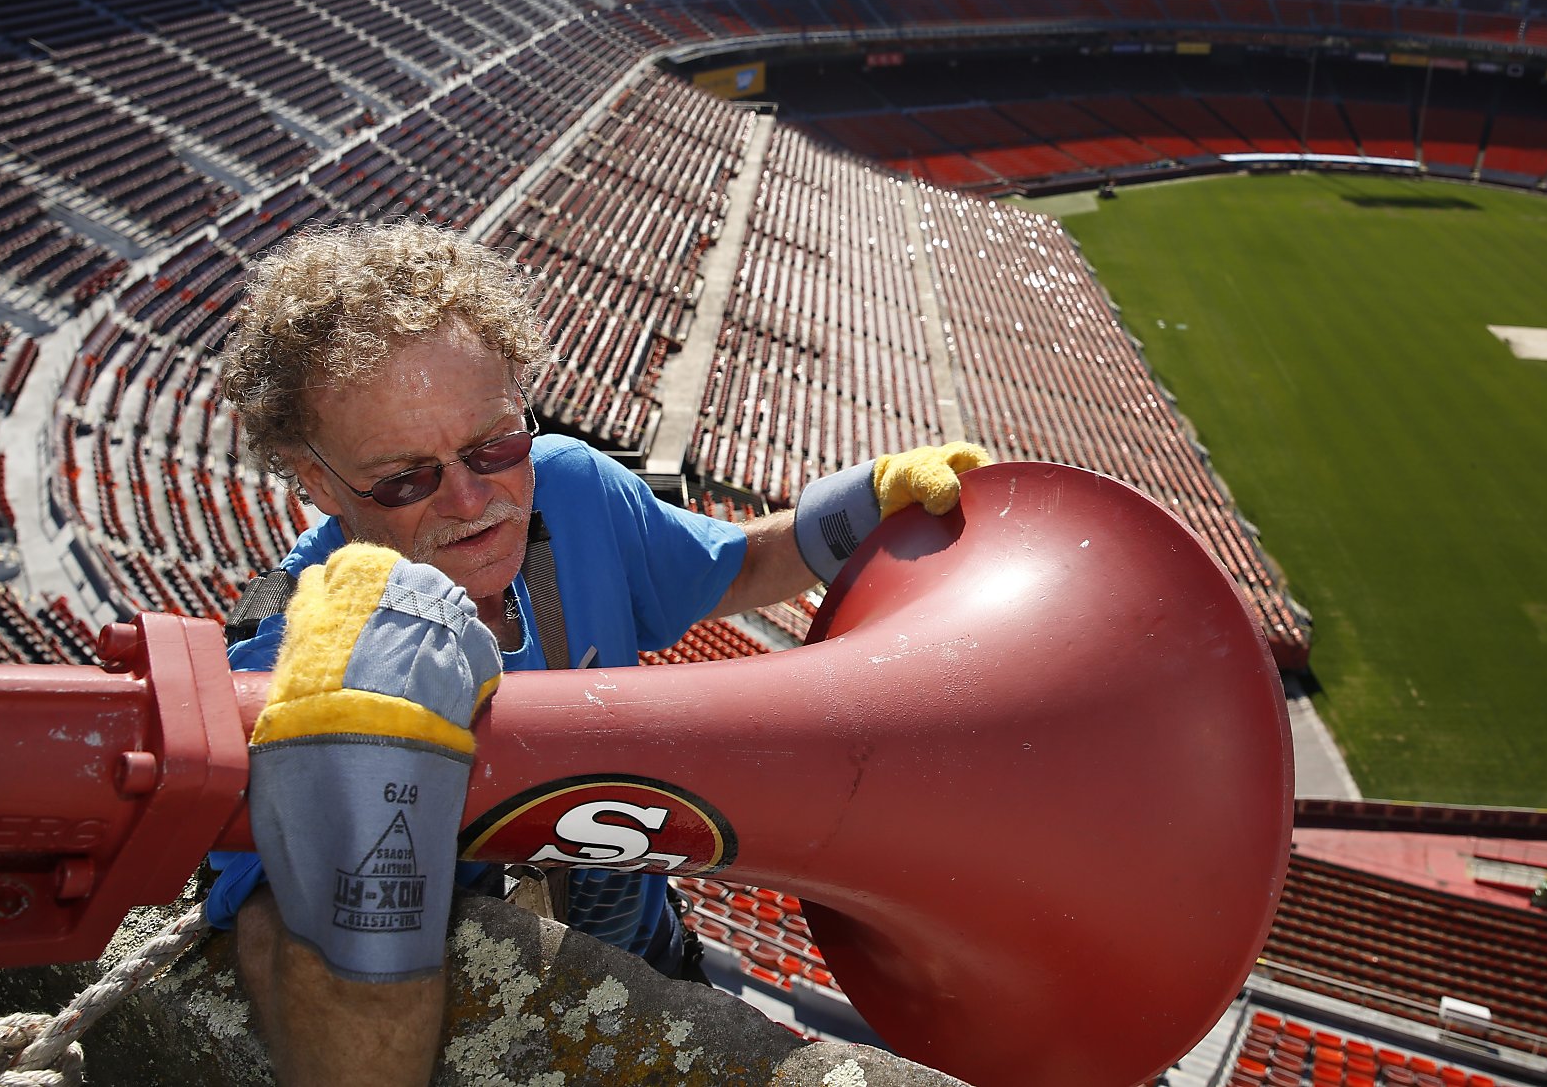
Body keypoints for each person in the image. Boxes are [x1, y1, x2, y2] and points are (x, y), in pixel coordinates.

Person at [205, 221, 986, 1086]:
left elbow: (736, 567)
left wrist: (863, 506)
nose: (473, 499)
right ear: (314, 481)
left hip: (649, 958)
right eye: (403, 478)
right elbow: (279, 932)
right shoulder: (286, 656)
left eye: (496, 444)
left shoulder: (574, 488)